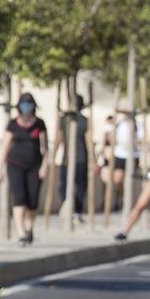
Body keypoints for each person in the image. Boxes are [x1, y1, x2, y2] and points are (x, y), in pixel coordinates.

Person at [0, 93, 48, 246]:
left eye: (29, 104)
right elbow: (5, 147)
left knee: (32, 201)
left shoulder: (40, 124)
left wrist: (45, 165)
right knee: (19, 197)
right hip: (15, 164)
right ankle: (21, 232)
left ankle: (29, 228)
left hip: (35, 166)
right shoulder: (12, 124)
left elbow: (45, 148)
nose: (26, 107)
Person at [54, 94, 96, 223]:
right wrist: (52, 155)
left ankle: (77, 211)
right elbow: (58, 138)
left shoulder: (84, 120)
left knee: (81, 187)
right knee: (64, 186)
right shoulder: (63, 120)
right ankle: (69, 207)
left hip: (81, 158)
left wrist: (93, 160)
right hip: (67, 158)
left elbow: (89, 141)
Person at [108, 107, 142, 209]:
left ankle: (126, 203)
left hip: (133, 155)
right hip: (119, 154)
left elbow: (140, 139)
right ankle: (119, 198)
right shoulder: (119, 123)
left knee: (129, 180)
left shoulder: (137, 125)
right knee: (117, 180)